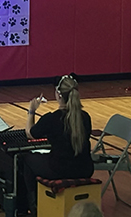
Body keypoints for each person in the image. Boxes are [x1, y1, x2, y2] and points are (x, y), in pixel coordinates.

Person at [23, 74, 94, 215]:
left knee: (26, 159)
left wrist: (31, 111)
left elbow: (30, 133)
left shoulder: (52, 118)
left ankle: (34, 206)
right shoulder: (85, 117)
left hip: (60, 169)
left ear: (58, 95)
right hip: (85, 168)